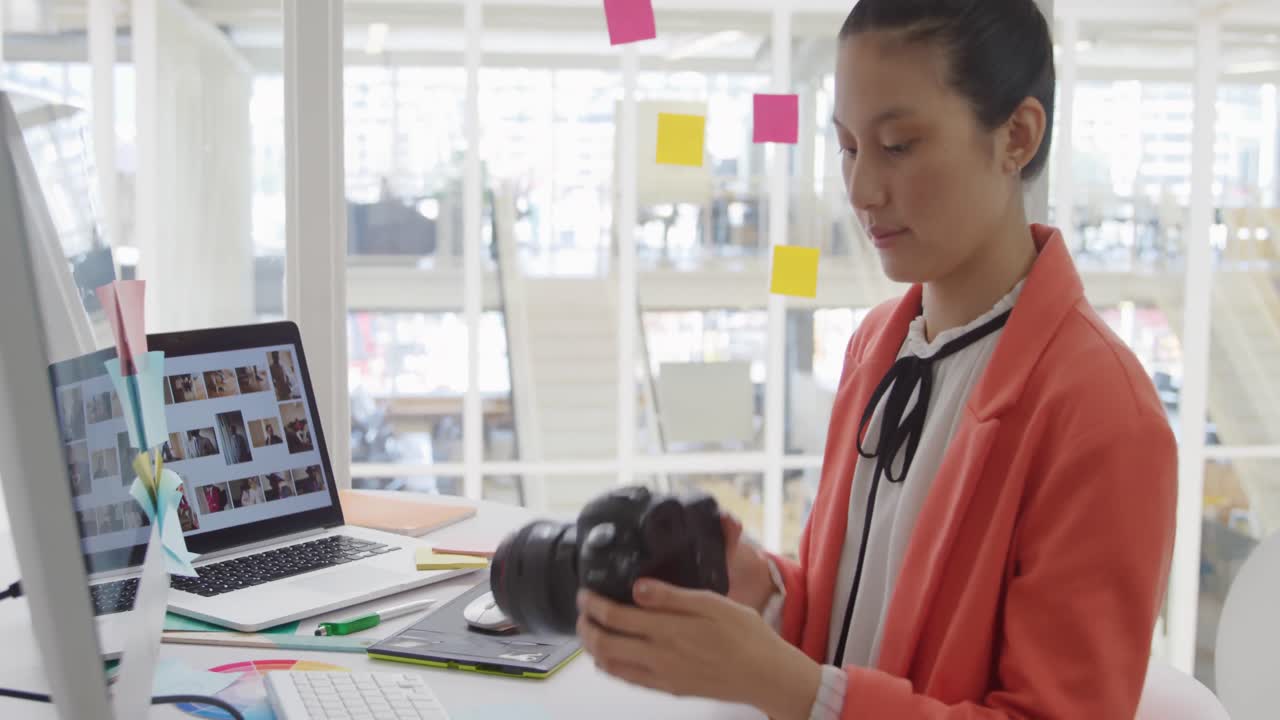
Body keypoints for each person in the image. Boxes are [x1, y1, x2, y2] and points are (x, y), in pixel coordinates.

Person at [575, 2, 1177, 719]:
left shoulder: (1103, 416)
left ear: (1016, 135)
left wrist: (791, 689)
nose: (861, 191)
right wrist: (764, 592)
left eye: (897, 146)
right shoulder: (877, 345)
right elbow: (863, 630)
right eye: (849, 147)